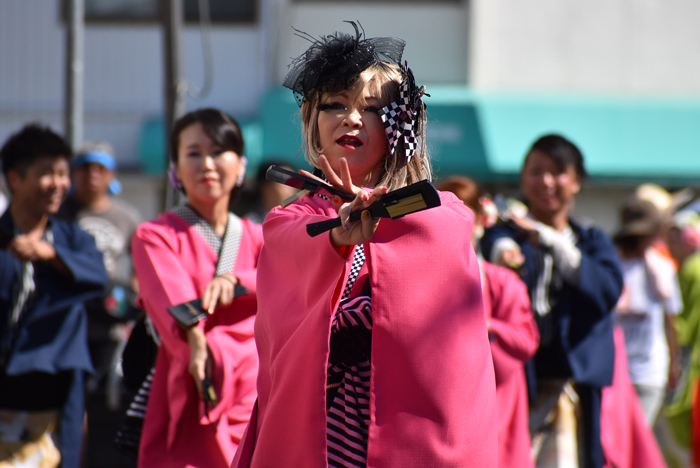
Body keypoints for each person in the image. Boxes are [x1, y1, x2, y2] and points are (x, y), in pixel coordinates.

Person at [232, 22, 497, 468]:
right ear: (311, 121)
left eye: (371, 109)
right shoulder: (291, 219)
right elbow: (297, 249)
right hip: (320, 422)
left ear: (399, 128)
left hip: (408, 427)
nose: (350, 118)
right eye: (334, 105)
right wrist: (338, 236)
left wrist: (388, 216)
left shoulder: (442, 215)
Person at [481, 134, 623, 468]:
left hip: (575, 380)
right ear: (522, 178)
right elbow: (494, 246)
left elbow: (607, 291)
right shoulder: (505, 233)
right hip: (517, 378)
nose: (546, 181)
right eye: (536, 171)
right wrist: (506, 252)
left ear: (576, 181)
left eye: (557, 172)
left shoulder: (591, 240)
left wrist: (552, 242)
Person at [131, 108, 262, 468]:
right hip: (196, 379)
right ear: (174, 170)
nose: (207, 163)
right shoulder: (155, 235)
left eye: (219, 150)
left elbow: (290, 282)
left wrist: (237, 280)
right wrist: (197, 341)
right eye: (193, 152)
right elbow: (170, 301)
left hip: (258, 390)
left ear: (241, 165)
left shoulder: (262, 236)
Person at [0, 124, 108, 467]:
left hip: (53, 393)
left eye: (63, 173)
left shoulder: (73, 239)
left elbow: (97, 277)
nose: (59, 183)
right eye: (47, 173)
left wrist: (51, 256)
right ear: (14, 178)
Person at [438, 176, 539, 468]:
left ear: (481, 220)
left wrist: (486, 326)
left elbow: (525, 341)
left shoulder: (503, 282)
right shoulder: (423, 277)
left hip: (499, 405)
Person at [56, 141, 141, 467]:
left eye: (100, 168)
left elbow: (137, 271)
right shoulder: (62, 213)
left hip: (109, 329)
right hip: (69, 325)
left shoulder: (126, 216)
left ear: (111, 174)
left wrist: (128, 305)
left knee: (106, 404)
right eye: (85, 167)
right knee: (71, 406)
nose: (92, 175)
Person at [612, 198, 682, 426]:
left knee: (639, 436)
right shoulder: (613, 265)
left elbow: (670, 319)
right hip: (616, 370)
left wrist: (674, 361)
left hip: (650, 369)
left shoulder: (661, 268)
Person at [665, 210, 700, 465]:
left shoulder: (692, 270)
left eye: (674, 238)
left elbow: (683, 326)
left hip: (691, 366)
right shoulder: (688, 267)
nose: (669, 244)